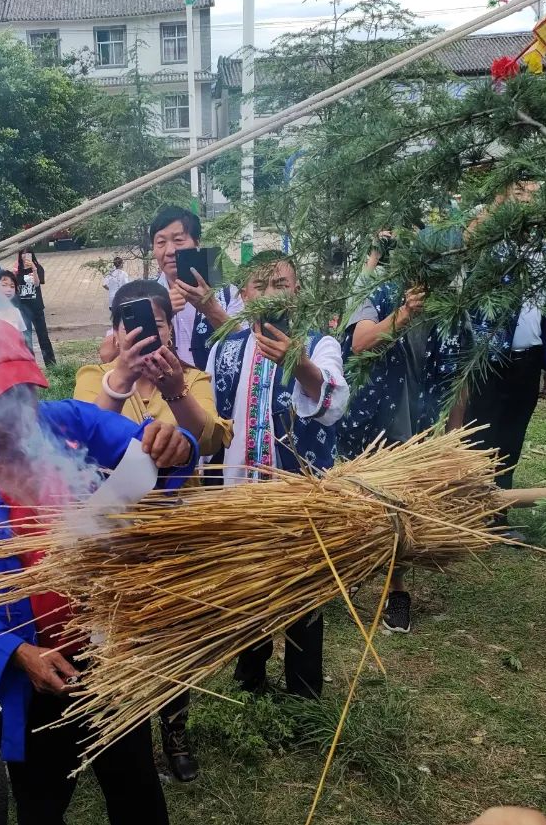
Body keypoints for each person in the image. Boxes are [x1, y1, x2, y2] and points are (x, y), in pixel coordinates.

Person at [0, 317, 197, 825]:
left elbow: (155, 450)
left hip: (109, 651)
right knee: (41, 802)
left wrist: (173, 446)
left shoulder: (70, 423)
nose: (13, 413)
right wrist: (19, 654)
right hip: (31, 679)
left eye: (22, 393)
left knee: (136, 789)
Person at [73, 279, 232, 783]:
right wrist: (118, 378)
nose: (146, 333)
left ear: (171, 329)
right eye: (133, 324)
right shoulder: (94, 376)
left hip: (176, 529)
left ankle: (176, 727)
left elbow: (208, 441)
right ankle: (122, 729)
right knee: (113, 630)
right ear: (118, 332)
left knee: (169, 630)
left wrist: (174, 391)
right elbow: (82, 444)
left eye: (157, 324)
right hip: (114, 531)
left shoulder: (192, 377)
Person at [206, 252, 349, 697]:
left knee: (305, 584)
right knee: (248, 583)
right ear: (243, 295)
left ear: (297, 291)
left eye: (281, 284)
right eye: (260, 286)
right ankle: (250, 677)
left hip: (299, 493)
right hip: (242, 492)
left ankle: (304, 689)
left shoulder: (320, 343)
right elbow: (210, 415)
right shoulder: (225, 349)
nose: (270, 295)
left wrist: (299, 363)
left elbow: (332, 405)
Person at [338, 273, 468, 634]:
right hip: (368, 420)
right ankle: (353, 567)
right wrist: (404, 313)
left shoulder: (453, 309)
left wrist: (453, 437)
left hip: (417, 425)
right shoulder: (378, 291)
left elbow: (462, 372)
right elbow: (360, 343)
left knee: (402, 508)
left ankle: (397, 591)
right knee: (359, 498)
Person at [464, 183, 546, 538]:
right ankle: (471, 509)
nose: (528, 201)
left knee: (513, 433)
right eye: (521, 195)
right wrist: (500, 199)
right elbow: (470, 239)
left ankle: (499, 511)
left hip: (529, 359)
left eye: (534, 195)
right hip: (492, 356)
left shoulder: (543, 250)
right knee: (483, 431)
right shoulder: (493, 248)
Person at [99, 206, 243, 368]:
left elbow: (246, 349)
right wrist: (158, 314)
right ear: (153, 248)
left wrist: (211, 309)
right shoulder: (141, 295)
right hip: (159, 390)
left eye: (178, 240)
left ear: (197, 243)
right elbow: (107, 355)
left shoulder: (228, 293)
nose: (170, 251)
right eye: (160, 242)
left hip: (215, 391)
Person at [15, 249, 56, 365]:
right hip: (23, 308)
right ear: (19, 255)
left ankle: (51, 364)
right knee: (26, 339)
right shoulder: (17, 270)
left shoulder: (38, 267)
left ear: (32, 255)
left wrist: (34, 269)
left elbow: (37, 283)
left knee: (43, 337)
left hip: (37, 307)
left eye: (27, 253)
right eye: (22, 253)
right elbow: (15, 288)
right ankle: (30, 366)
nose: (25, 256)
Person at [0, 268, 35, 352]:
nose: (9, 289)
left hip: (13, 356)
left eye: (12, 286)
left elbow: (22, 339)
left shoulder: (15, 311)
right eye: (4, 285)